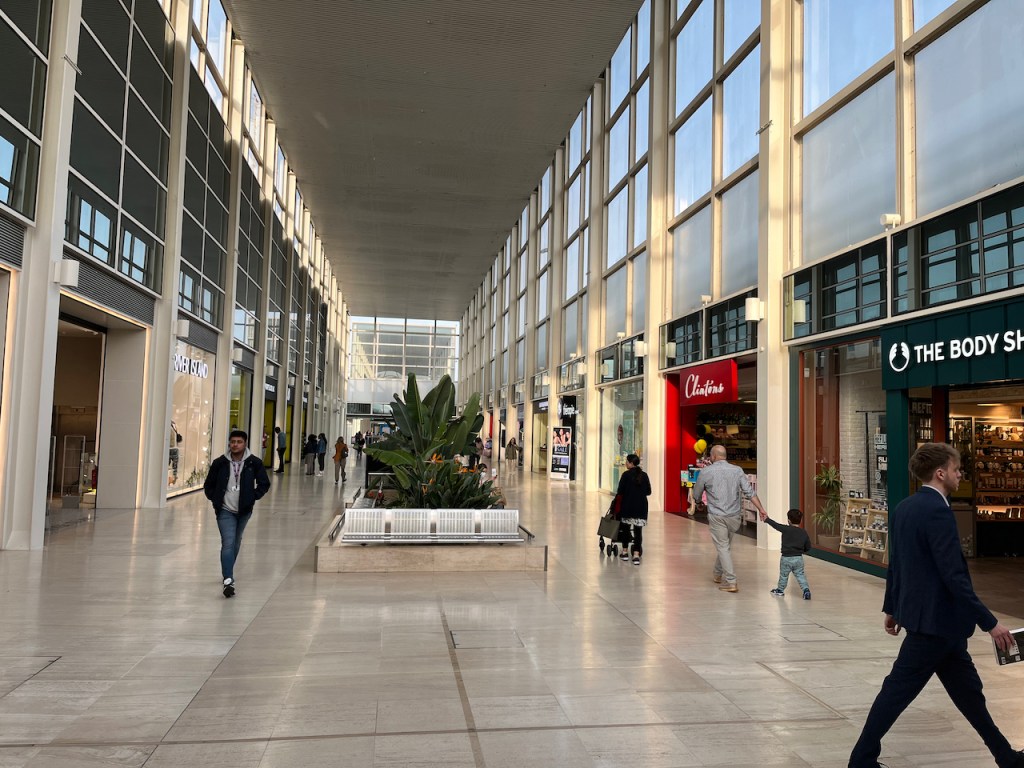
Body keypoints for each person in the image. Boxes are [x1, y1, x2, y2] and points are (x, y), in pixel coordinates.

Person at [848, 443, 1024, 768]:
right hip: (936, 626)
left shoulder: (904, 507)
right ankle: (861, 760)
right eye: (957, 469)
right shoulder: (939, 511)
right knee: (895, 693)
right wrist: (990, 622)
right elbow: (953, 576)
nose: (961, 474)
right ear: (941, 473)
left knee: (970, 696)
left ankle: (1006, 757)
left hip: (938, 626)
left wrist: (892, 607)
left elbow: (897, 564)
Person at [203, 430, 271, 598]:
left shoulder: (253, 462)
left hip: (244, 510)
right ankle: (228, 579)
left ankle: (228, 570)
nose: (235, 444)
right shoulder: (220, 463)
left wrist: (252, 497)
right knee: (228, 542)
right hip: (225, 510)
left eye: (239, 442)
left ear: (245, 443)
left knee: (236, 542)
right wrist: (216, 499)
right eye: (232, 441)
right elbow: (208, 484)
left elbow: (264, 483)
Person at [692, 444, 767, 593]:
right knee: (725, 546)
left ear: (713, 456)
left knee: (723, 547)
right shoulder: (737, 470)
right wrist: (761, 509)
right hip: (734, 517)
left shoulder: (706, 471)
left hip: (717, 516)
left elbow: (697, 493)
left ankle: (731, 581)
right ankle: (717, 574)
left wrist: (699, 503)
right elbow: (749, 492)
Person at [760, 508, 812, 599]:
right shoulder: (803, 532)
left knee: (784, 575)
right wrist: (801, 551)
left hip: (786, 558)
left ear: (788, 520)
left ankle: (780, 590)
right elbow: (808, 546)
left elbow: (776, 525)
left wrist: (767, 519)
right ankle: (806, 590)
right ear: (801, 520)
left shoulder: (785, 529)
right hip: (798, 558)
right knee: (800, 575)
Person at [615, 453, 652, 565]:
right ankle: (636, 555)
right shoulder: (644, 475)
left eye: (627, 461)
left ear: (631, 463)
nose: (625, 463)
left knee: (626, 530)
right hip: (641, 507)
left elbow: (620, 491)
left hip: (627, 507)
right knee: (638, 531)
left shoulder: (625, 475)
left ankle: (625, 552)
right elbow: (649, 492)